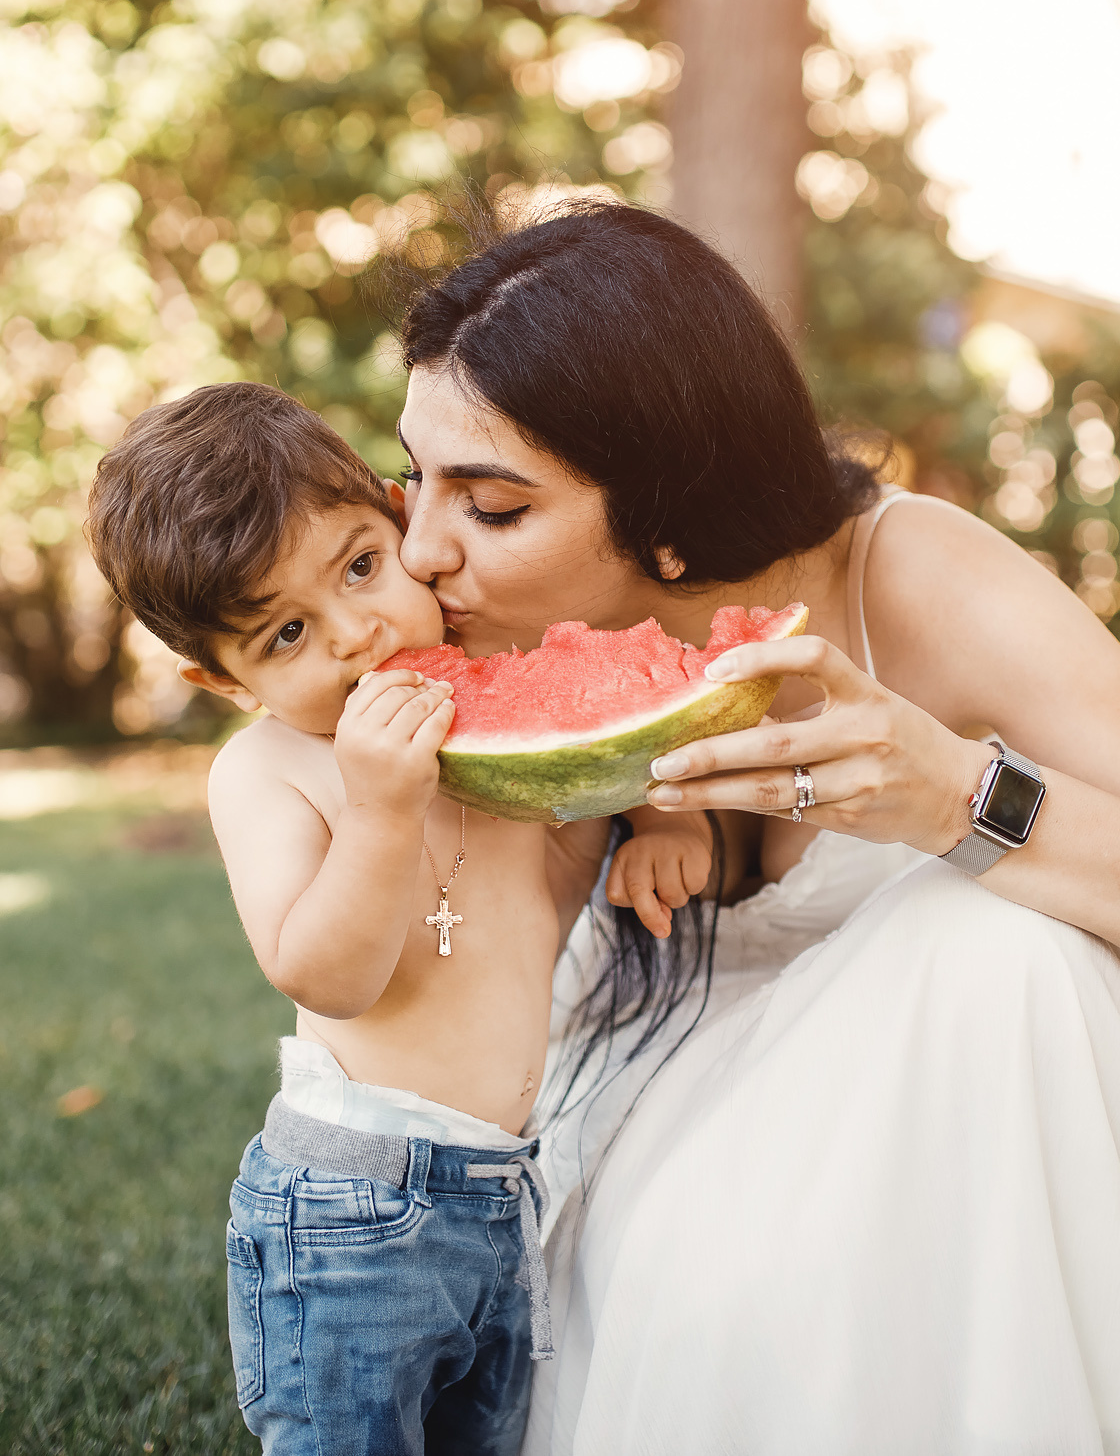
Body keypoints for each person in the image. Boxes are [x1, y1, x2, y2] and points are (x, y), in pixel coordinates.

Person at [385, 201, 1120, 1455]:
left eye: (490, 507)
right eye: (411, 480)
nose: (419, 551)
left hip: (910, 1192)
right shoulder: (439, 642)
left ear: (673, 515)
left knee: (1006, 943)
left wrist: (959, 797)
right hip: (629, 1179)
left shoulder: (911, 582)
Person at [85, 382, 713, 1456]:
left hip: (504, 1189)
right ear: (221, 680)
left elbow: (603, 754)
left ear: (394, 512)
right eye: (286, 635)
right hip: (350, 1210)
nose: (358, 637)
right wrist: (381, 811)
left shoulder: (486, 698)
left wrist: (666, 819)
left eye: (361, 567)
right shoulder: (270, 772)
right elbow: (323, 974)